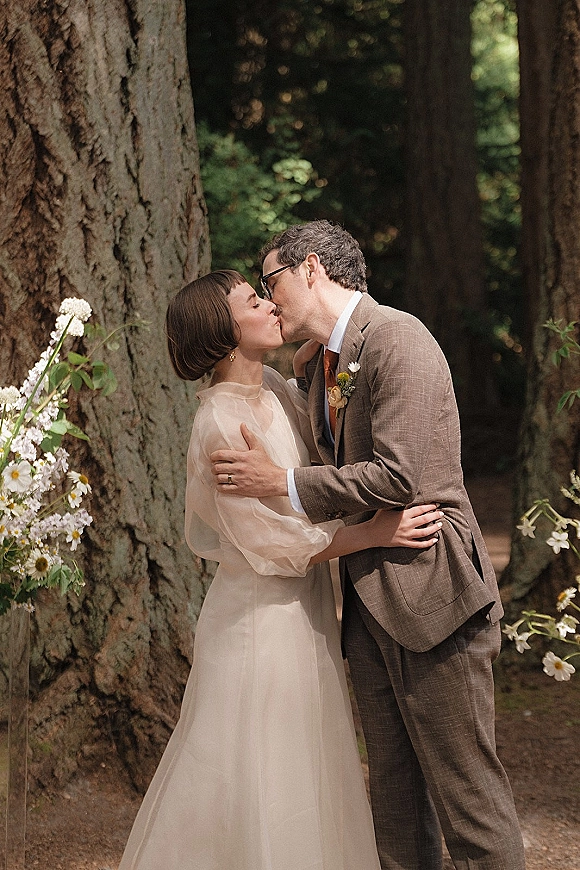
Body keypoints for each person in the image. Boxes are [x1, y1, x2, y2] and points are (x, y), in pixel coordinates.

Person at [210, 223, 526, 870]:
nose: (270, 302)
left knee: (471, 810)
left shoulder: (397, 339)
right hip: (367, 608)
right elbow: (339, 444)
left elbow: (401, 475)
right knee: (397, 815)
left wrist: (284, 484)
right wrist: (303, 386)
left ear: (312, 269)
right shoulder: (330, 359)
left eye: (271, 282)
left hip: (432, 596)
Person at [118, 269, 443, 870]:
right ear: (224, 331)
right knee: (263, 774)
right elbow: (272, 545)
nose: (269, 304)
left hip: (305, 613)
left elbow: (311, 465)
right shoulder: (217, 422)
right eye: (252, 301)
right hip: (260, 622)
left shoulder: (270, 386)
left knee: (308, 767)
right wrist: (373, 533)